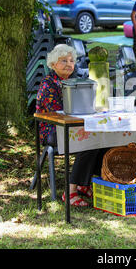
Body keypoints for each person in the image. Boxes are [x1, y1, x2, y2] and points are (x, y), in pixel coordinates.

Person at [36, 44, 109, 207]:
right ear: (53, 64)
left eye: (71, 60)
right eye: (63, 61)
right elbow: (56, 114)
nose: (69, 64)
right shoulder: (49, 84)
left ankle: (85, 184)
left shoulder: (73, 81)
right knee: (87, 142)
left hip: (71, 127)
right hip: (53, 130)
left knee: (103, 141)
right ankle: (70, 192)